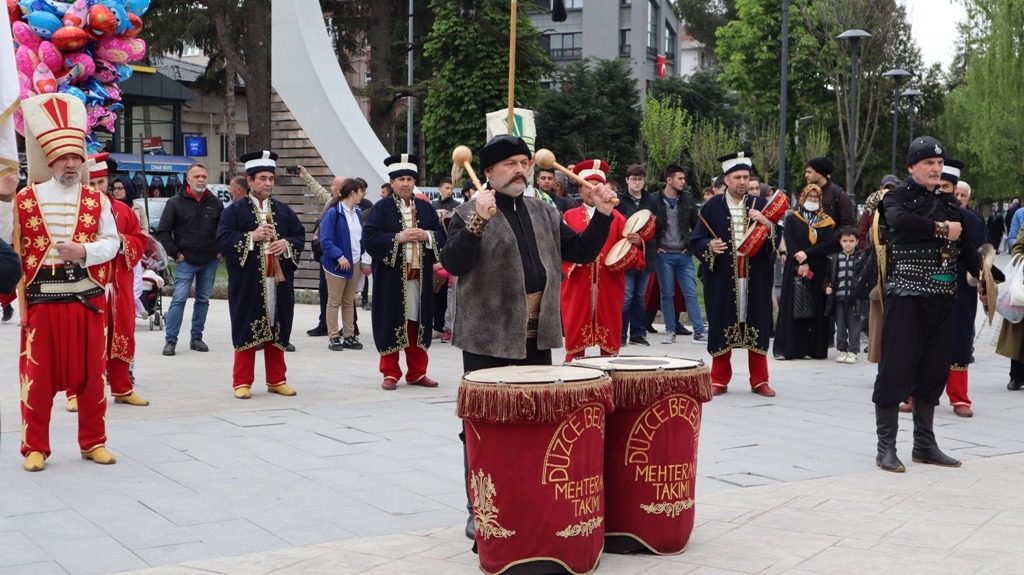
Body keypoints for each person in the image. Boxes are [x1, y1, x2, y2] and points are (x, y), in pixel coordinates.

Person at [440, 134, 615, 542]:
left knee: (535, 421)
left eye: (525, 162)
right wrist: (478, 222)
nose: (521, 170)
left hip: (536, 337)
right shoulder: (467, 211)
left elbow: (581, 253)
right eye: (510, 164)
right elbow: (454, 262)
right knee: (484, 427)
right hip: (488, 337)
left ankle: (529, 499)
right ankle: (480, 506)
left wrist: (602, 214)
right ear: (488, 172)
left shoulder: (543, 211)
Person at [0, 93, 119, 470]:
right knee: (37, 377)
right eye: (64, 158)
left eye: (76, 158)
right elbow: (6, 239)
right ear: (50, 160)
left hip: (87, 300)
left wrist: (84, 252)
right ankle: (35, 446)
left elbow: (113, 243)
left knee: (91, 376)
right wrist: (3, 197)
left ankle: (93, 441)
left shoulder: (97, 201)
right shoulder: (25, 197)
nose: (71, 164)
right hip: (41, 301)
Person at [872, 137, 979, 473]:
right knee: (896, 368)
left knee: (933, 370)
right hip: (906, 295)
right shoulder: (895, 198)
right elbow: (901, 223)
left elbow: (966, 245)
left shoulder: (949, 202)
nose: (936, 168)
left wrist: (989, 276)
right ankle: (885, 448)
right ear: (911, 167)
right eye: (928, 163)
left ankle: (924, 445)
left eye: (939, 163)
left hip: (943, 297)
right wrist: (941, 229)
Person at [216, 150, 305, 399]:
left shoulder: (284, 211)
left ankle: (277, 379)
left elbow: (299, 236)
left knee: (278, 327)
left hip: (278, 282)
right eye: (263, 178)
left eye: (271, 179)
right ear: (250, 180)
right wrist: (251, 237)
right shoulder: (234, 212)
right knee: (246, 326)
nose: (268, 183)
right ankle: (242, 381)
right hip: (249, 284)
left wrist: (286, 245)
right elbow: (222, 239)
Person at [64, 153, 149, 412]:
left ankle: (122, 388)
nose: (97, 189)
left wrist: (122, 242)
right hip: (85, 286)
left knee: (121, 334)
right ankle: (75, 393)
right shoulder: (74, 211)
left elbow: (139, 239)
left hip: (117, 286)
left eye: (102, 183)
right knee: (82, 340)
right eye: (92, 184)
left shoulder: (123, 210)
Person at [690, 151, 779, 397]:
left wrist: (767, 223)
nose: (742, 181)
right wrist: (710, 246)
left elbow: (778, 238)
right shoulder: (711, 207)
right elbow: (695, 240)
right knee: (722, 322)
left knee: (758, 322)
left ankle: (760, 380)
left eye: (746, 177)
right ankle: (718, 379)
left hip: (756, 276)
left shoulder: (760, 205)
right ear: (726, 180)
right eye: (737, 177)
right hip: (722, 277)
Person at [364, 153, 446, 391]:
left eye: (409, 179)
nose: (405, 183)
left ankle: (418, 372)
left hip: (420, 279)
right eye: (400, 179)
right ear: (392, 183)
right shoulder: (380, 208)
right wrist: (397, 238)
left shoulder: (425, 208)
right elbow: (369, 238)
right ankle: (390, 373)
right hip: (392, 280)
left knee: (419, 323)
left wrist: (427, 236)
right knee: (391, 321)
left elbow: (442, 235)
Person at [561, 159, 628, 360]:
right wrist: (577, 262)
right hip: (577, 283)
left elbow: (629, 251)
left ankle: (610, 371)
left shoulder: (618, 218)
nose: (593, 191)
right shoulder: (569, 216)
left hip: (609, 283)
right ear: (580, 189)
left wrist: (633, 245)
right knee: (575, 326)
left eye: (598, 186)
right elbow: (562, 251)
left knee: (609, 325)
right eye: (588, 186)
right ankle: (574, 374)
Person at [156, 163, 223, 356]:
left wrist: (220, 251)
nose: (201, 179)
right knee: (178, 300)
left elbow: (224, 229)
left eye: (203, 176)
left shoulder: (215, 202)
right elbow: (163, 231)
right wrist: (176, 254)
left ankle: (196, 338)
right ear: (188, 180)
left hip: (209, 261)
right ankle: (171, 340)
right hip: (185, 261)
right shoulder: (175, 202)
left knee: (203, 300)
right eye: (196, 177)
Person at [936, 165, 987, 418]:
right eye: (938, 186)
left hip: (961, 290)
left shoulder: (973, 220)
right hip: (927, 286)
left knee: (960, 341)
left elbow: (983, 259)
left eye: (947, 187)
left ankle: (959, 398)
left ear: (956, 189)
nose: (942, 191)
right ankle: (916, 394)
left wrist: (986, 285)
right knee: (922, 340)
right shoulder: (924, 213)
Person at [773, 183, 837, 360]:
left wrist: (807, 255)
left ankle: (813, 348)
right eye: (810, 197)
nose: (813, 200)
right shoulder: (793, 218)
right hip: (795, 267)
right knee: (793, 305)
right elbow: (790, 240)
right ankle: (788, 349)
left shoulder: (825, 220)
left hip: (817, 267)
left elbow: (829, 243)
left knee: (815, 306)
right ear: (803, 198)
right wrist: (801, 261)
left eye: (816, 198)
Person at [653, 165, 704, 344]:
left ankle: (699, 332)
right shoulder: (654, 199)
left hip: (683, 254)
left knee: (691, 293)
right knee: (667, 294)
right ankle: (670, 331)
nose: (684, 182)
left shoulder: (688, 199)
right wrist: (655, 246)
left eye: (684, 178)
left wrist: (690, 248)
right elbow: (646, 226)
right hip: (663, 254)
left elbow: (696, 226)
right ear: (669, 180)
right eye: (680, 178)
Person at [320, 178, 370, 351]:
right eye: (360, 191)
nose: (362, 195)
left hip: (354, 262)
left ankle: (349, 335)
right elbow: (325, 240)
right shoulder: (333, 212)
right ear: (352, 193)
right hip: (337, 264)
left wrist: (363, 259)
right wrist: (339, 256)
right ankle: (333, 337)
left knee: (349, 301)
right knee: (334, 301)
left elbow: (360, 238)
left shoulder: (356, 212)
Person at [298, 165, 347, 338]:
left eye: (333, 184)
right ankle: (325, 323)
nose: (330, 187)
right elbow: (318, 190)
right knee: (325, 290)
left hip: (343, 256)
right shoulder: (331, 202)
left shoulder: (349, 207)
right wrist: (305, 175)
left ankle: (350, 326)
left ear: (340, 189)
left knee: (346, 294)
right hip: (327, 254)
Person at [616, 164, 661, 346]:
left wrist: (651, 227)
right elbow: (614, 225)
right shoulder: (619, 199)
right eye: (633, 179)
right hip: (625, 253)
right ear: (627, 180)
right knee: (626, 296)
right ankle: (620, 335)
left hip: (646, 253)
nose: (637, 182)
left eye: (640, 179)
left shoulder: (651, 200)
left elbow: (661, 225)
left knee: (640, 296)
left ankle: (637, 333)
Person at [826, 227, 862, 364]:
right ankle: (842, 350)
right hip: (839, 298)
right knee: (840, 326)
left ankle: (853, 351)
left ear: (857, 241)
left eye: (851, 241)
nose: (848, 244)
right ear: (840, 242)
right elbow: (828, 277)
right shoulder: (834, 258)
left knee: (854, 327)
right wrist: (827, 287)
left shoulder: (861, 257)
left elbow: (865, 277)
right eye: (845, 241)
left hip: (855, 299)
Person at [804, 157, 856, 228]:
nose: (806, 175)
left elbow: (847, 225)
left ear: (819, 174)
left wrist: (830, 236)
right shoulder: (804, 193)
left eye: (809, 172)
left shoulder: (839, 195)